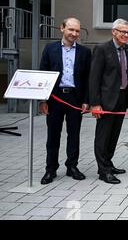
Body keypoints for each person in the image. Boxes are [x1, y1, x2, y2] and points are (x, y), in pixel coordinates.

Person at [39, 17, 91, 185]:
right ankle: (50, 169)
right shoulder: (50, 49)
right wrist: (43, 100)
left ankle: (72, 166)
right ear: (62, 28)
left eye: (77, 31)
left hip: (75, 98)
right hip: (55, 97)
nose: (74, 34)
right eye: (71, 30)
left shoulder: (84, 52)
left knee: (74, 134)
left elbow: (87, 78)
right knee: (53, 134)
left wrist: (86, 100)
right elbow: (43, 74)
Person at [90, 18, 128, 184]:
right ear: (114, 32)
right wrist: (95, 103)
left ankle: (108, 163)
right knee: (103, 136)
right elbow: (94, 78)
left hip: (122, 100)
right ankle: (103, 171)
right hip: (105, 101)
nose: (125, 34)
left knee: (114, 135)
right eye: (122, 31)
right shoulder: (102, 49)